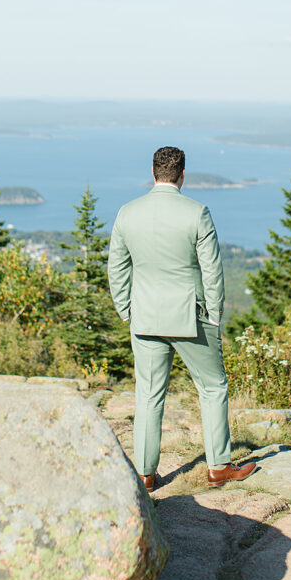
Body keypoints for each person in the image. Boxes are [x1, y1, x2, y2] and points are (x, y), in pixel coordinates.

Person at [107, 145, 257, 491]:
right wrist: (215, 315)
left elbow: (116, 268)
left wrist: (127, 310)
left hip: (144, 318)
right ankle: (218, 466)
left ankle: (145, 475)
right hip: (191, 317)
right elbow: (212, 271)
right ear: (183, 174)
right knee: (213, 387)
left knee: (147, 394)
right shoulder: (197, 213)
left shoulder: (127, 213)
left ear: (153, 171)